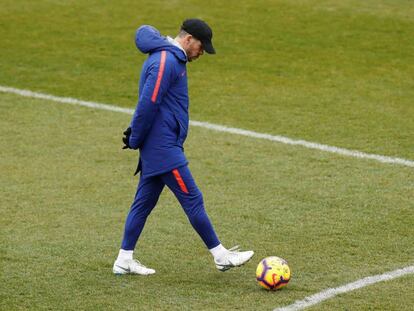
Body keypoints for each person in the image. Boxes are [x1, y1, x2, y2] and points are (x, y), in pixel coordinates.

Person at [113, 19, 254, 275]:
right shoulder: (166, 62)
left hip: (162, 145)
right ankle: (221, 256)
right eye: (201, 47)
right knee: (193, 198)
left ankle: (124, 260)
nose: (202, 53)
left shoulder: (172, 60)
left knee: (143, 203)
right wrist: (135, 137)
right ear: (188, 39)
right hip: (163, 148)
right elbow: (148, 103)